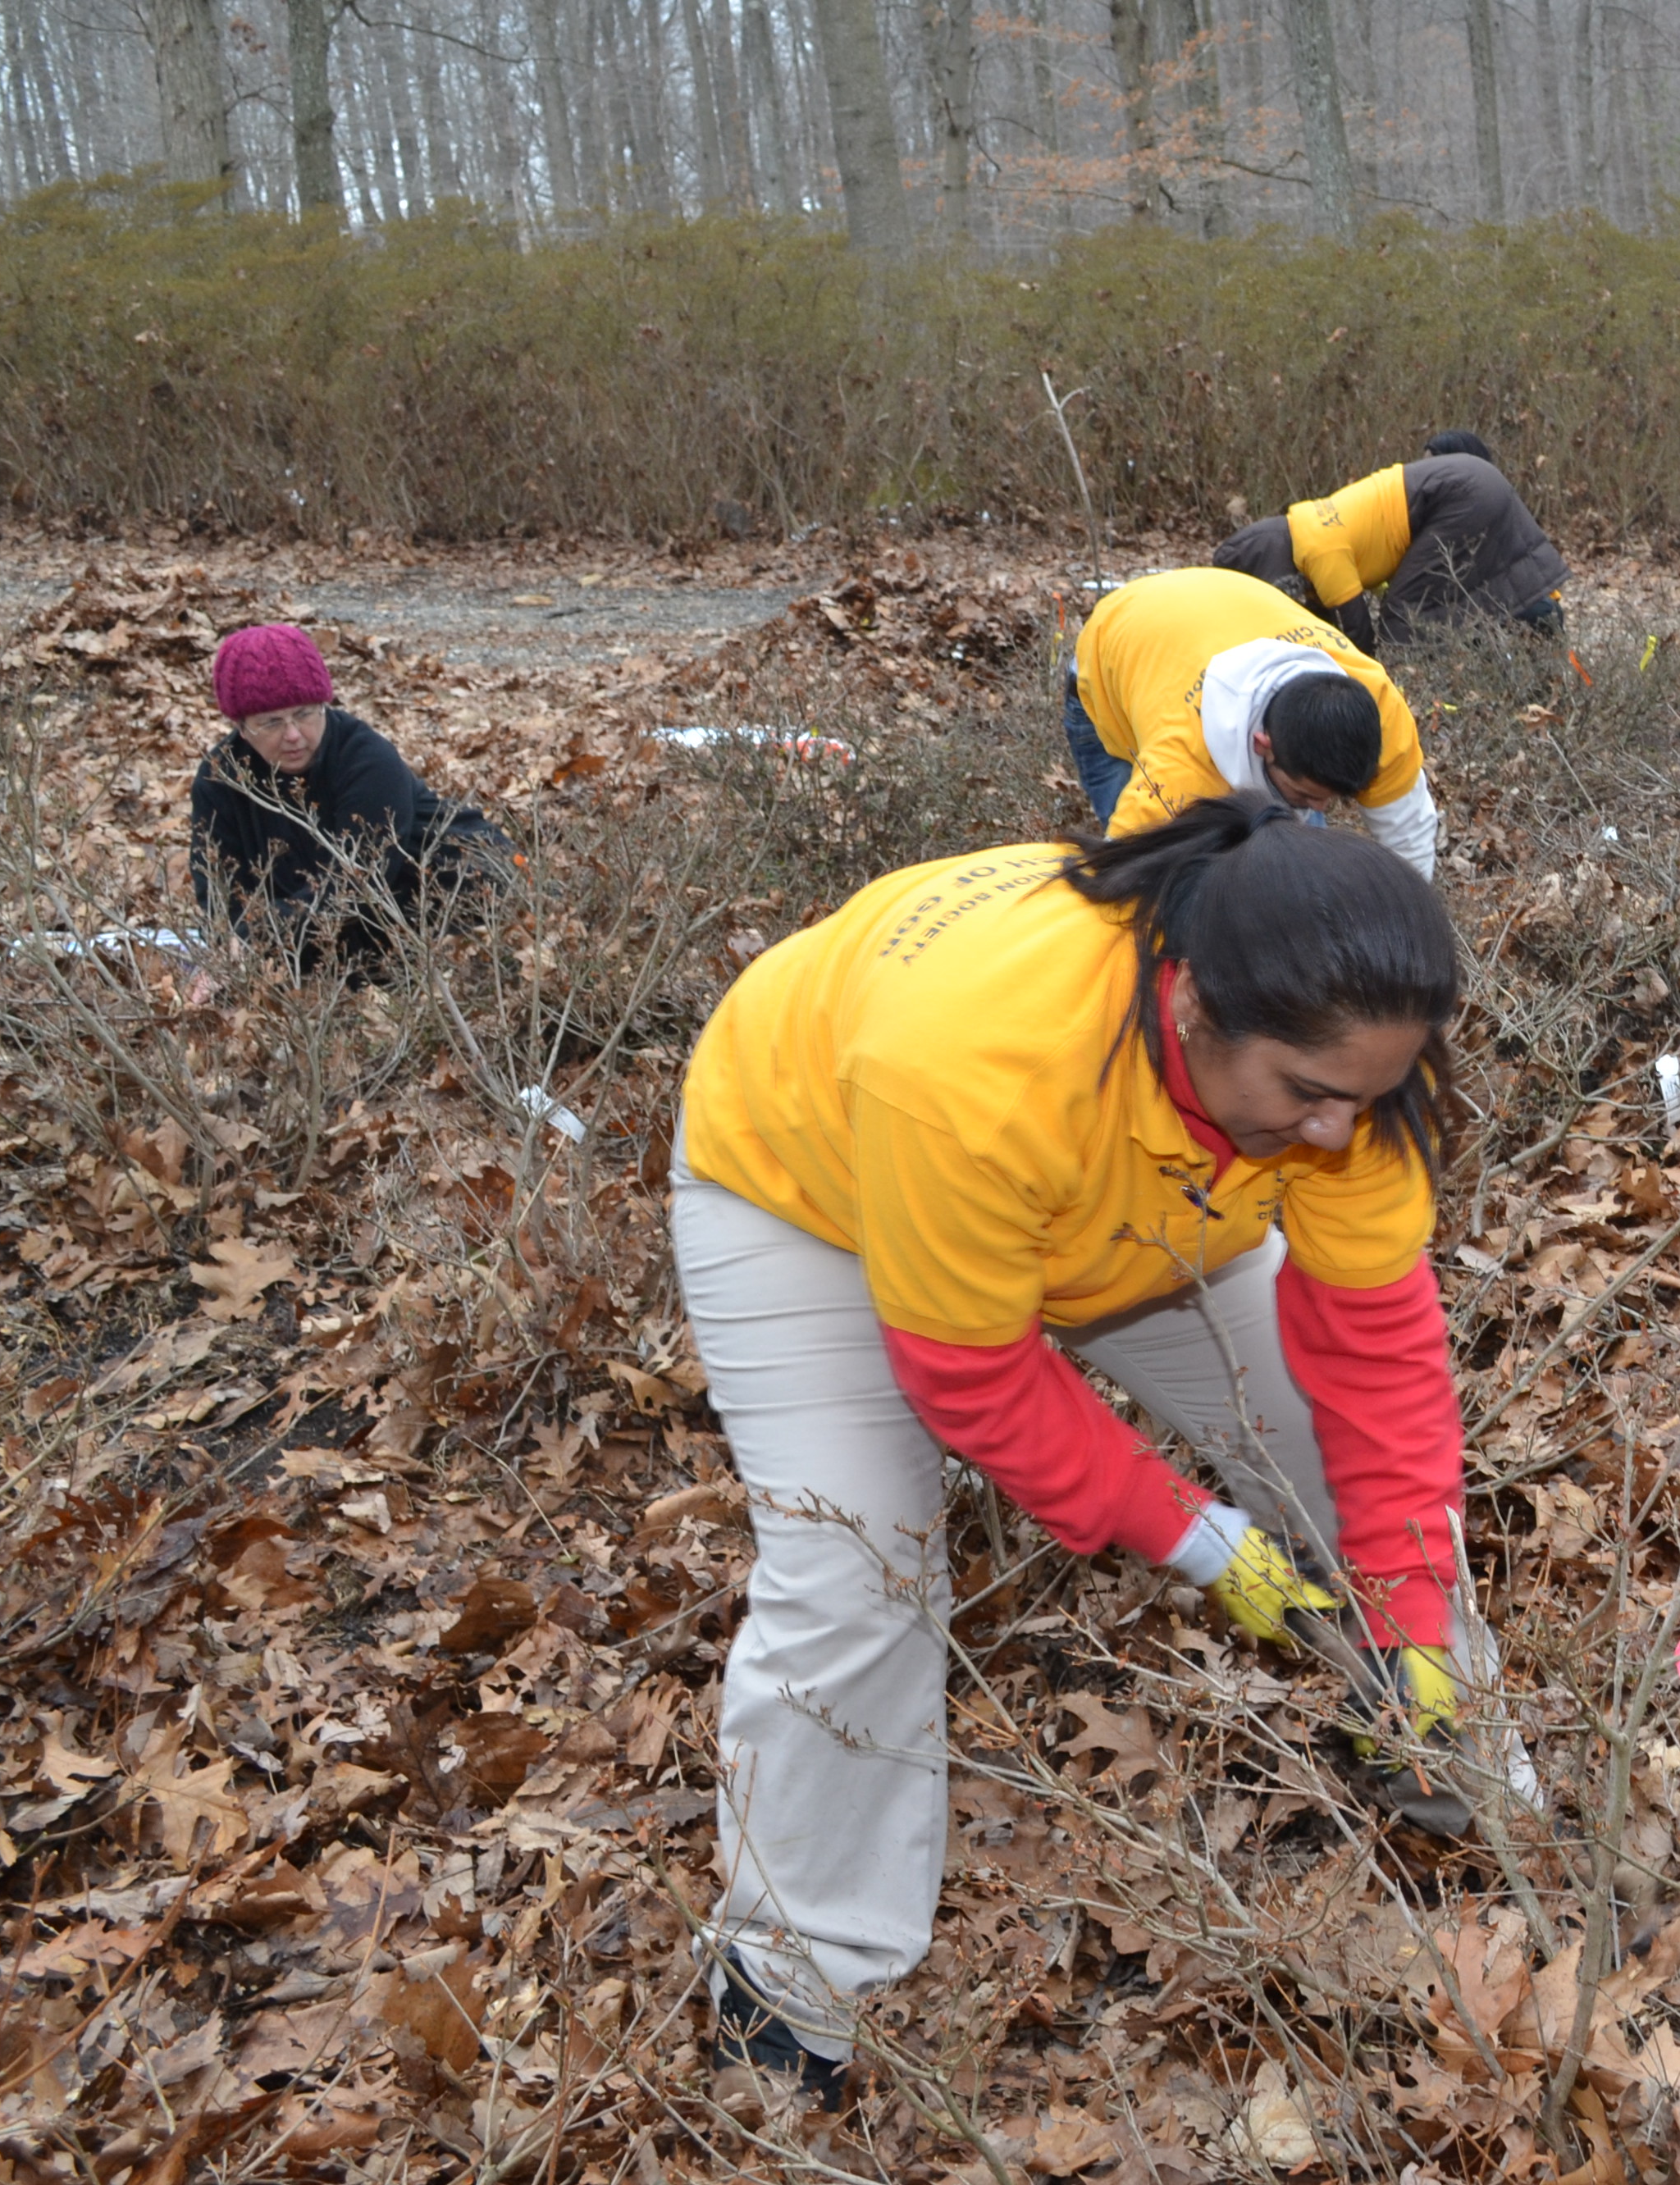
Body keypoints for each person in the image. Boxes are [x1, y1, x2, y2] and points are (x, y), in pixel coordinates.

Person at [671, 802, 1481, 2105]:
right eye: (1313, 1096)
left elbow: (1379, 1371)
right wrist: (1198, 1538)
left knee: (1341, 1466)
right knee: (857, 1568)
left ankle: (1439, 1737)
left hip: (1144, 1209)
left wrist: (1416, 1605)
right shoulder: (975, 1068)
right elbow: (981, 1378)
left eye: (1369, 1100)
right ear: (1197, 1009)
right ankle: (792, 1966)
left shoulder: (1344, 1077)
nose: (1341, 1133)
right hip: (814, 1194)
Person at [1066, 567, 1441, 876]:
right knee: (1170, 874)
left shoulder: (1378, 707)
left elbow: (1409, 850)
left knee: (1294, 863)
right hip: (1112, 651)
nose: (1322, 809)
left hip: (1225, 600)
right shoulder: (1178, 772)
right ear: (1264, 745)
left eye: (1335, 798)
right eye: (1307, 796)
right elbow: (1118, 878)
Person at [189, 623, 508, 951]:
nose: (294, 734)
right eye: (271, 722)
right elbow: (219, 894)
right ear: (241, 728)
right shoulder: (219, 780)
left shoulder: (367, 759)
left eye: (304, 714)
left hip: (463, 904)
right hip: (324, 936)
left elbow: (358, 885)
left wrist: (257, 936)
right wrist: (233, 948)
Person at [1213, 430, 1568, 647]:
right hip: (1472, 483)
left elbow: (1356, 630)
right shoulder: (1313, 527)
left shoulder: (1319, 549)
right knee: (1442, 599)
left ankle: (1414, 692)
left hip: (1465, 491)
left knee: (1404, 613)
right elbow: (1327, 622)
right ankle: (1525, 634)